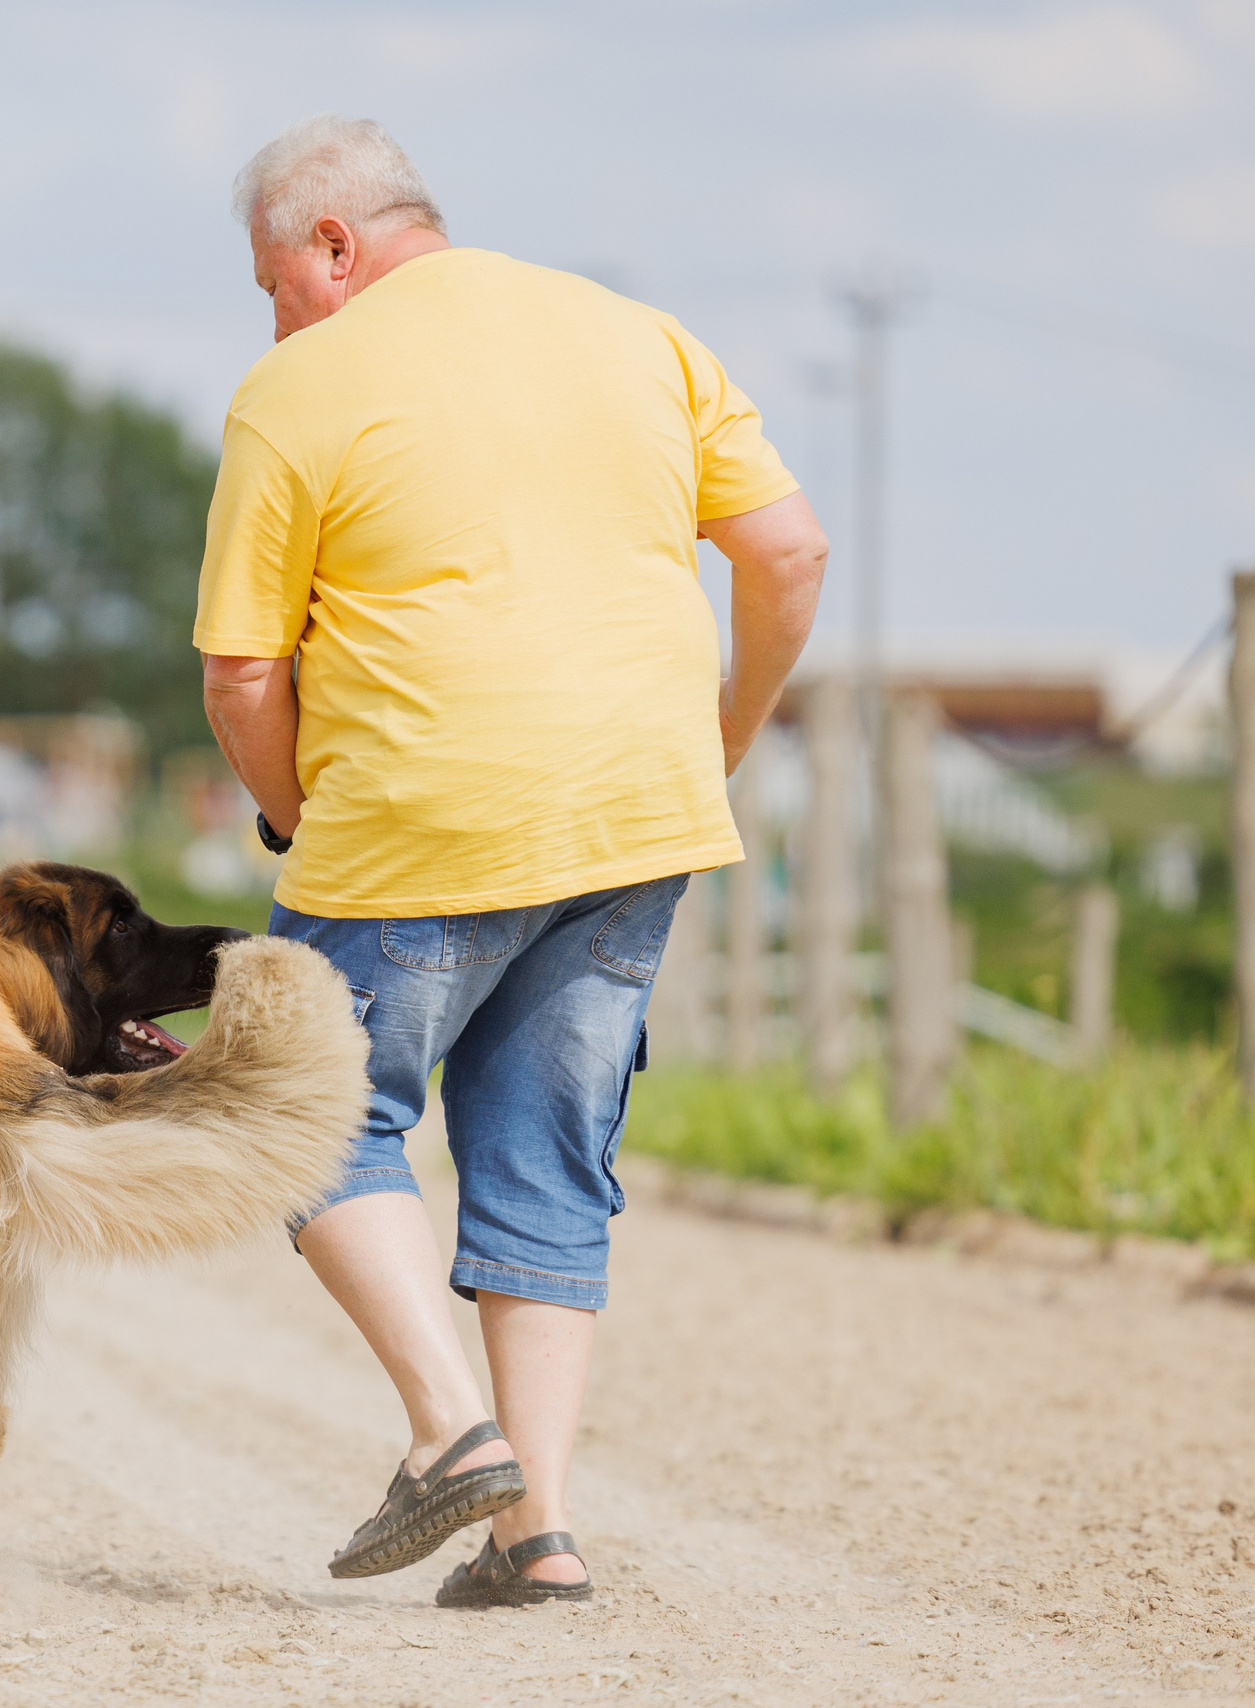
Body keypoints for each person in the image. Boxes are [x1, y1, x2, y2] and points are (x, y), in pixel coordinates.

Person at [194, 116, 827, 1608]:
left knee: (303, 1115)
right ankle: (535, 1535)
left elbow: (237, 676)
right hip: (636, 820)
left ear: (334, 247)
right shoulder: (641, 336)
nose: (272, 311)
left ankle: (450, 1433)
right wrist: (718, 739)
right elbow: (789, 555)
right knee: (546, 1156)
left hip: (419, 813)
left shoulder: (299, 384)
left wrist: (291, 817)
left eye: (271, 277)